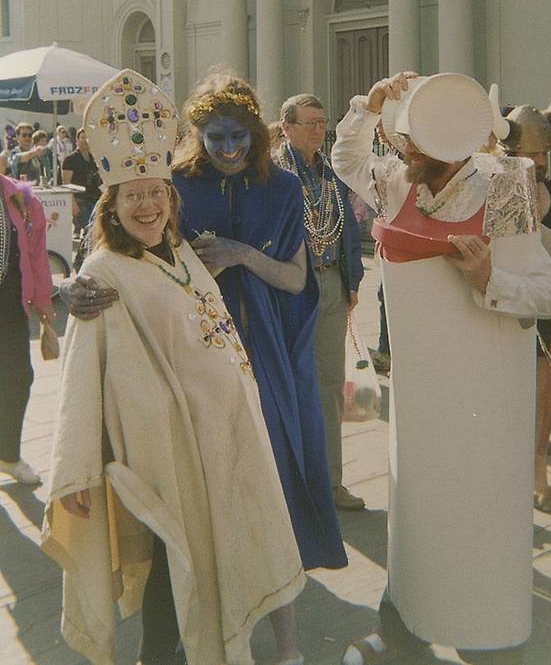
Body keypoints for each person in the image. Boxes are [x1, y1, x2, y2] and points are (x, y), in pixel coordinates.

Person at [41, 69, 306, 665]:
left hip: (221, 440)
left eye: (157, 192)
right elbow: (81, 376)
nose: (148, 204)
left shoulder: (180, 251)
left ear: (172, 197)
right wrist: (76, 468)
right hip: (164, 451)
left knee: (210, 565)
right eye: (133, 195)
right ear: (112, 204)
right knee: (170, 568)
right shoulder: (106, 273)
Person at [61, 70, 347, 576]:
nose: (229, 149)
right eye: (216, 138)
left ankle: (275, 563)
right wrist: (75, 286)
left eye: (239, 137)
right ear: (198, 136)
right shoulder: (174, 183)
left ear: (256, 136)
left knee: (270, 454)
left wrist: (242, 256)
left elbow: (297, 278)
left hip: (265, 347)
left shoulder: (281, 188)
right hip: (189, 342)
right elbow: (113, 239)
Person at [332, 72, 551, 665]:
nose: (403, 148)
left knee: (478, 516)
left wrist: (492, 280)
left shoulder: (506, 187)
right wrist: (368, 102)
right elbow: (346, 156)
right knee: (416, 514)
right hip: (419, 398)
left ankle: (487, 640)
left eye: (414, 141)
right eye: (404, 137)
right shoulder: (395, 182)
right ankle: (405, 627)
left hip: (484, 399)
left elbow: (546, 294)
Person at [489, 78, 551, 514]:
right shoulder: (492, 194)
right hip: (502, 316)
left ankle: (538, 477)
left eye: (544, 154)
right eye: (531, 154)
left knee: (542, 404)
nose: (540, 162)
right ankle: (501, 479)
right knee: (502, 405)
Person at [275, 93, 365, 511]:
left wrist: (353, 280)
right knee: (292, 383)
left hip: (331, 284)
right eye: (309, 122)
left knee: (330, 387)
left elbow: (345, 227)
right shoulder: (275, 174)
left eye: (321, 121)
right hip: (293, 288)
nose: (318, 130)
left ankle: (331, 484)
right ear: (287, 127)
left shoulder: (330, 173)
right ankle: (292, 485)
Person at [0, 173, 54, 486]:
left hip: (10, 302)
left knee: (18, 378)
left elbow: (37, 257)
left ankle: (7, 455)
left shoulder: (22, 199)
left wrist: (44, 301)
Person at [62, 128, 102, 233]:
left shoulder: (94, 159)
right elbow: (66, 183)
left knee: (96, 230)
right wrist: (72, 203)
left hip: (95, 199)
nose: (85, 140)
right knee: (90, 230)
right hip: (80, 200)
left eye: (88, 138)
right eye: (83, 137)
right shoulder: (70, 159)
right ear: (77, 141)